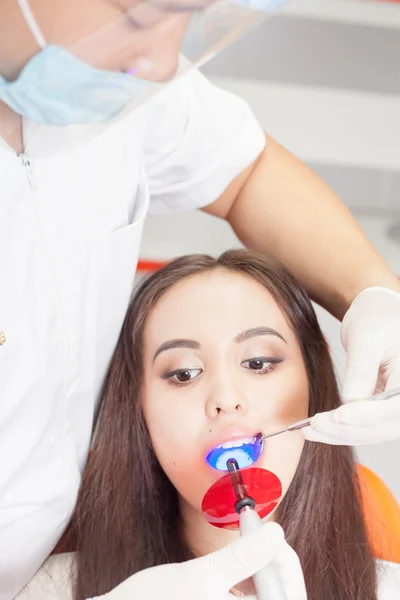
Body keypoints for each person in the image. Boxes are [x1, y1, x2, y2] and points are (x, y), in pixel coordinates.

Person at [1, 0, 400, 598]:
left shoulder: (126, 88)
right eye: (181, 372)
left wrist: (374, 292)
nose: (165, 64)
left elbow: (245, 171)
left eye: (261, 362)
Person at [16, 250, 400, 600]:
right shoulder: (46, 590)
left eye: (259, 362)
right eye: (183, 373)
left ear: (314, 385)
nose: (225, 398)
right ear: (138, 409)